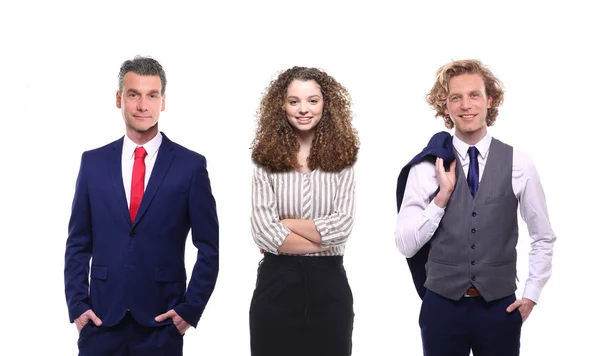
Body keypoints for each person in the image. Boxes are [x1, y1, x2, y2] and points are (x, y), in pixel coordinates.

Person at [394, 59, 556, 356]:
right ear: (445, 106)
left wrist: (531, 295)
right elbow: (405, 244)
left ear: (489, 100)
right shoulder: (427, 165)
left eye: (474, 95)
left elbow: (543, 236)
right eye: (456, 97)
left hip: (499, 308)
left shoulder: (519, 163)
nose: (466, 105)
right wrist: (442, 196)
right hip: (441, 307)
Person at [64, 56, 219, 356]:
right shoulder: (93, 163)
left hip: (162, 321)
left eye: (152, 95)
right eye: (134, 94)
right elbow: (78, 243)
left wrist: (190, 309)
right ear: (119, 98)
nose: (142, 105)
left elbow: (209, 247)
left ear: (163, 101)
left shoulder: (190, 166)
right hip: (101, 320)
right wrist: (77, 306)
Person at [249, 66, 359, 356]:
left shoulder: (344, 160)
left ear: (326, 104)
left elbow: (342, 227)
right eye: (294, 101)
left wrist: (286, 223)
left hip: (330, 286)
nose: (303, 109)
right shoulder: (265, 160)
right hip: (276, 285)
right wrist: (322, 240)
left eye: (313, 100)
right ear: (281, 106)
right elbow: (264, 233)